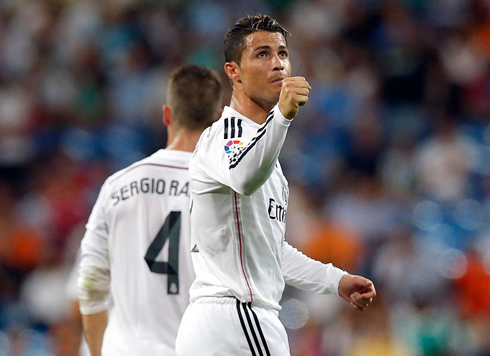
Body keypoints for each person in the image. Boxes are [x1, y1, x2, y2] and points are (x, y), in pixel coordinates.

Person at [175, 15, 376, 356]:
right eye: (262, 54)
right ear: (233, 71)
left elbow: (269, 251)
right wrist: (282, 117)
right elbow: (243, 176)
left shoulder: (264, 154)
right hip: (239, 317)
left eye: (283, 53)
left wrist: (335, 281)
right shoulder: (229, 134)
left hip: (223, 324)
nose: (278, 64)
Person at [77, 65, 223, 356]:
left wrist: (96, 352)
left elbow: (91, 281)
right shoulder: (226, 194)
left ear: (167, 114)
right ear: (218, 120)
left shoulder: (115, 186)